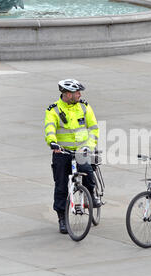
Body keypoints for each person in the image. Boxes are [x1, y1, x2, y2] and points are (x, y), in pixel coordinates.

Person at [44, 79, 100, 234]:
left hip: (82, 150)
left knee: (87, 171)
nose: (79, 95)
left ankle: (92, 195)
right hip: (62, 152)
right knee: (61, 186)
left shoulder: (84, 106)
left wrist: (89, 146)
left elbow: (94, 128)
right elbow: (50, 128)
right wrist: (53, 143)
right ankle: (62, 219)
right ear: (68, 94)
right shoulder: (53, 110)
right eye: (77, 92)